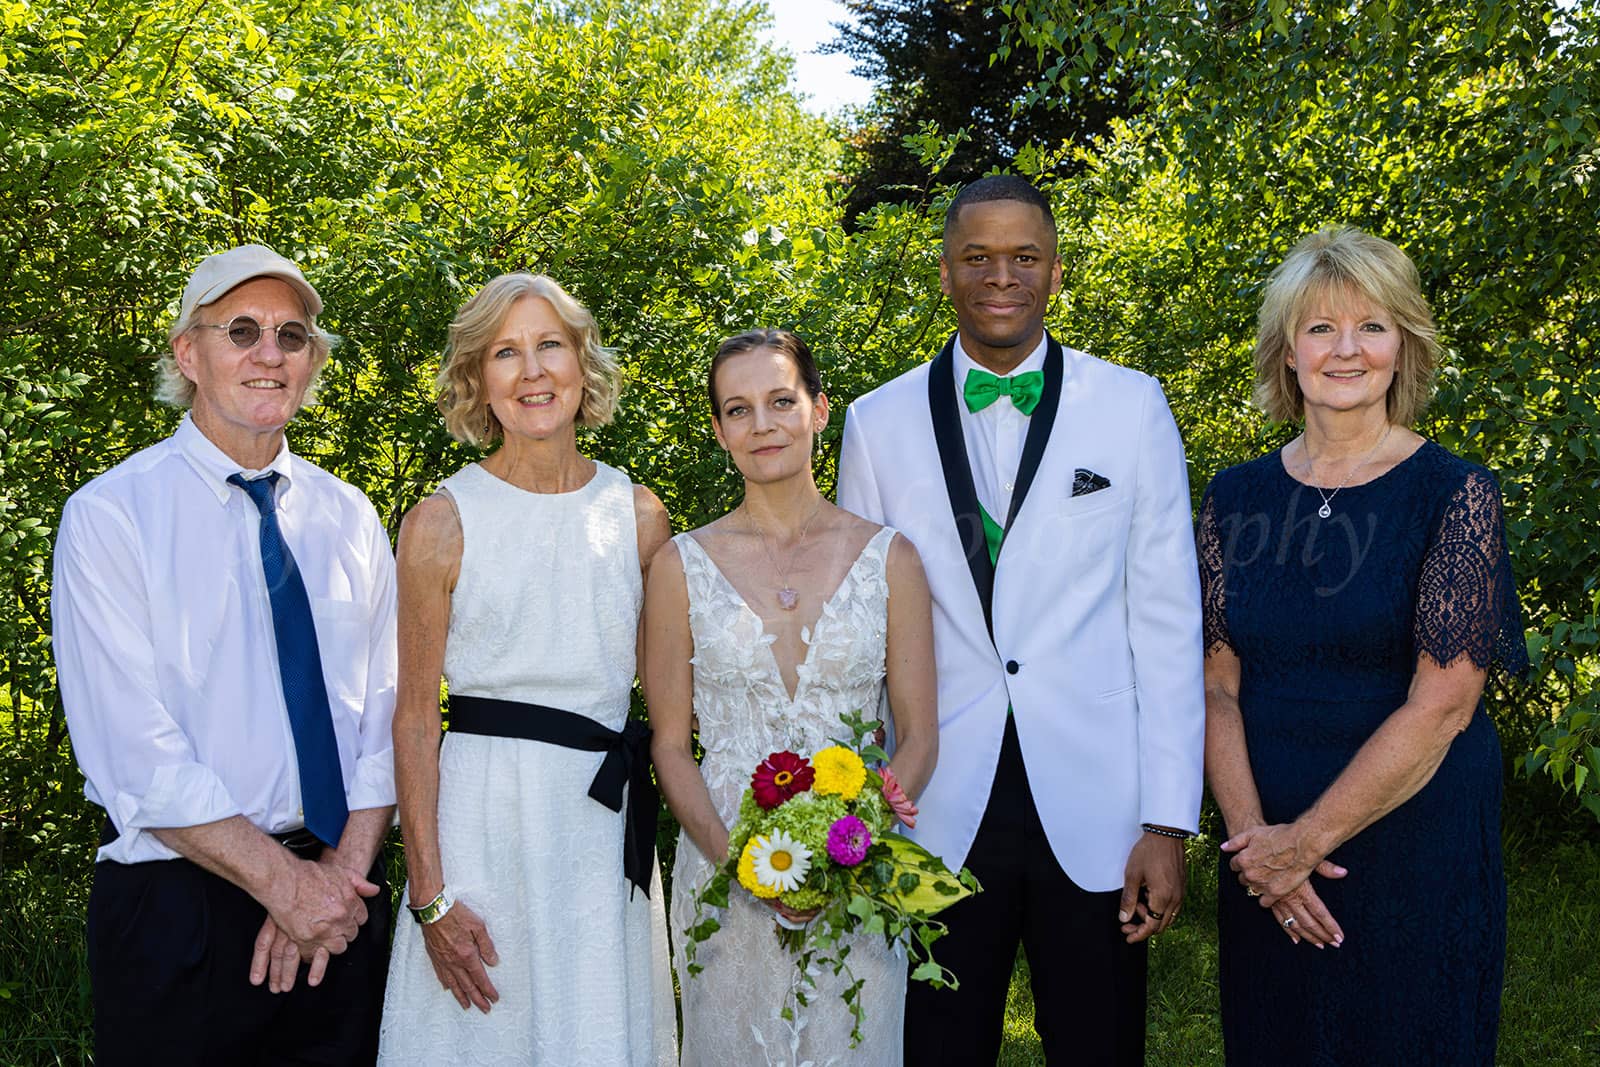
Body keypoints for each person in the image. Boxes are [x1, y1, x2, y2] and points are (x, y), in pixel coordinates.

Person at [836, 175, 1205, 1065]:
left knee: (1099, 1045)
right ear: (945, 272)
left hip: (1100, 803)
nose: (1001, 276)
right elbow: (860, 640)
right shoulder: (876, 422)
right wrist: (859, 814)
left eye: (1024, 257)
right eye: (978, 257)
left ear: (1056, 271)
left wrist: (1167, 821)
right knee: (936, 1048)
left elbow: (1166, 622)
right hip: (933, 808)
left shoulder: (1132, 406)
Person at [52, 244, 398, 1064]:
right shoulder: (111, 516)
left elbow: (387, 718)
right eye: (242, 330)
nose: (269, 353)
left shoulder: (350, 517)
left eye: (292, 335)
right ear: (188, 353)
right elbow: (135, 752)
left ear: (312, 361)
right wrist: (285, 886)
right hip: (181, 911)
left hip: (342, 902)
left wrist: (334, 885)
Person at [1198, 226, 1526, 1064]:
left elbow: (1444, 704)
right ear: (1288, 352)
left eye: (1371, 326)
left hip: (1412, 845)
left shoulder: (1456, 492)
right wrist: (1257, 848)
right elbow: (1214, 685)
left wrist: (1304, 844)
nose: (1347, 349)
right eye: (1321, 328)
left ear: (1402, 345)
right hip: (1263, 848)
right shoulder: (1232, 498)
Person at [378, 272, 677, 1065]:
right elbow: (414, 719)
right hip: (482, 828)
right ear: (478, 379)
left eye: (550, 344)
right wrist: (429, 893)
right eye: (505, 352)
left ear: (583, 362)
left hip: (599, 828)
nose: (533, 370)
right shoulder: (439, 522)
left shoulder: (639, 516)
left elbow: (676, 702)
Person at [643, 329, 938, 1066]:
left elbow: (920, 736)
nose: (762, 424)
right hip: (723, 875)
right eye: (738, 409)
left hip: (855, 875)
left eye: (781, 400)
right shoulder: (679, 566)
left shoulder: (891, 559)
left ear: (819, 410)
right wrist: (741, 864)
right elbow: (670, 745)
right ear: (719, 432)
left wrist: (851, 844)